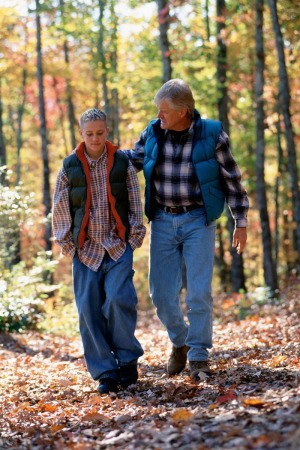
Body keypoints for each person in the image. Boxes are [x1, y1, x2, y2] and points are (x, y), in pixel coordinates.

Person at [125, 79, 249, 382]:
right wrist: (102, 153)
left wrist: (241, 221)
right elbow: (133, 161)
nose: (159, 116)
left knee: (198, 292)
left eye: (164, 111)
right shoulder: (154, 131)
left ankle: (198, 355)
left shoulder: (211, 134)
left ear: (184, 111)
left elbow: (232, 178)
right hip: (164, 221)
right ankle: (180, 342)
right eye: (158, 110)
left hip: (198, 221)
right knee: (162, 295)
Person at [52, 108, 146, 395]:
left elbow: (133, 198)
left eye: (100, 133)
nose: (95, 138)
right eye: (89, 133)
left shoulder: (121, 163)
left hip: (117, 246)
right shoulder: (70, 166)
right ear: (82, 134)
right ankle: (105, 370)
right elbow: (60, 206)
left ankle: (127, 362)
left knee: (119, 299)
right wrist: (67, 243)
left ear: (108, 131)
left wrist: (134, 235)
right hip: (86, 250)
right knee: (88, 310)